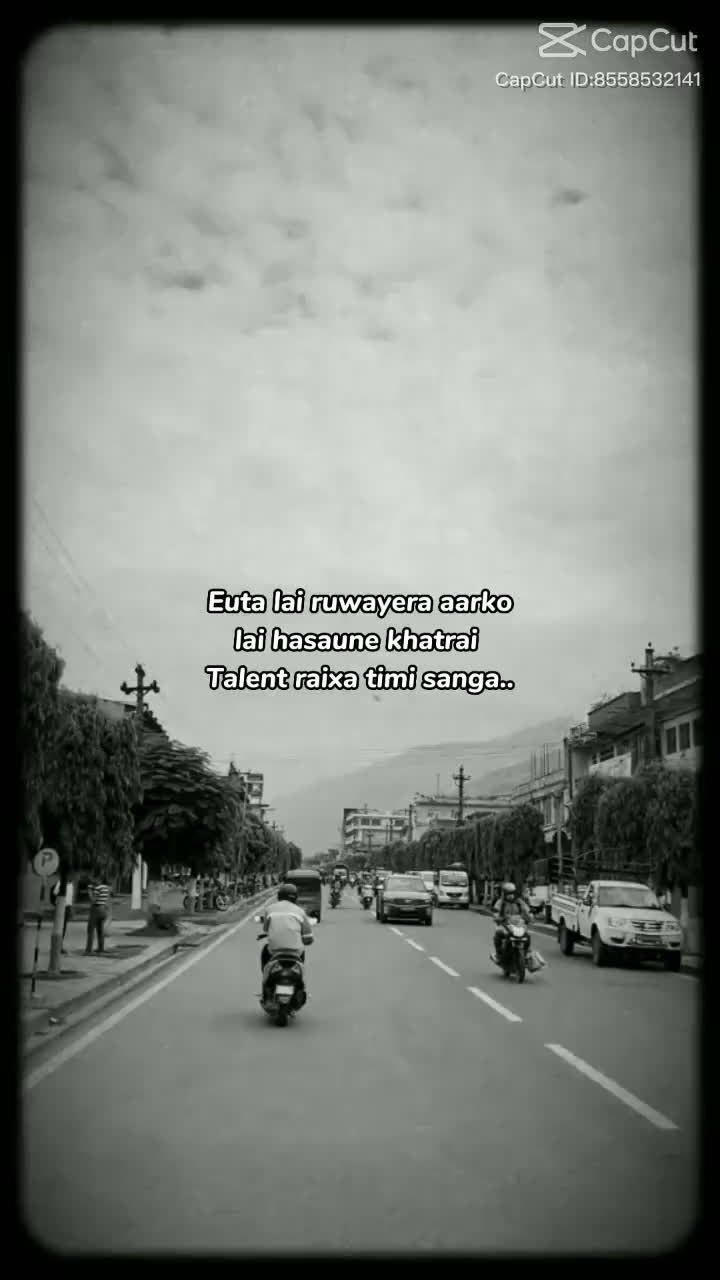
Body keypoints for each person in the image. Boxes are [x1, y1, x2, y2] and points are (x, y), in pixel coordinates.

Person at [260, 883, 315, 983]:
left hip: (274, 951)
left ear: (279, 896)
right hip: (296, 952)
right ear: (295, 897)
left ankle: (266, 978)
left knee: (265, 950)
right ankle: (300, 979)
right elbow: (308, 938)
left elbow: (266, 930)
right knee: (302, 952)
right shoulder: (300, 911)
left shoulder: (269, 909)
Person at [492, 882, 530, 963]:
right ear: (504, 894)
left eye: (512, 893)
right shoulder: (500, 902)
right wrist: (497, 918)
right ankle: (498, 954)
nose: (510, 895)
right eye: (508, 893)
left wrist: (529, 916)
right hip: (505, 925)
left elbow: (526, 910)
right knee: (498, 935)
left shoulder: (519, 901)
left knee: (527, 936)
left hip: (518, 924)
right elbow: (496, 912)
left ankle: (526, 954)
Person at [85, 872, 111, 955]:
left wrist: (89, 892)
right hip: (103, 909)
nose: (93, 880)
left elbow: (93, 900)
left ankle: (89, 950)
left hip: (96, 909)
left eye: (95, 879)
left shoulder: (98, 888)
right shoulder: (106, 888)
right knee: (100, 929)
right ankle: (101, 948)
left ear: (99, 879)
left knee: (90, 929)